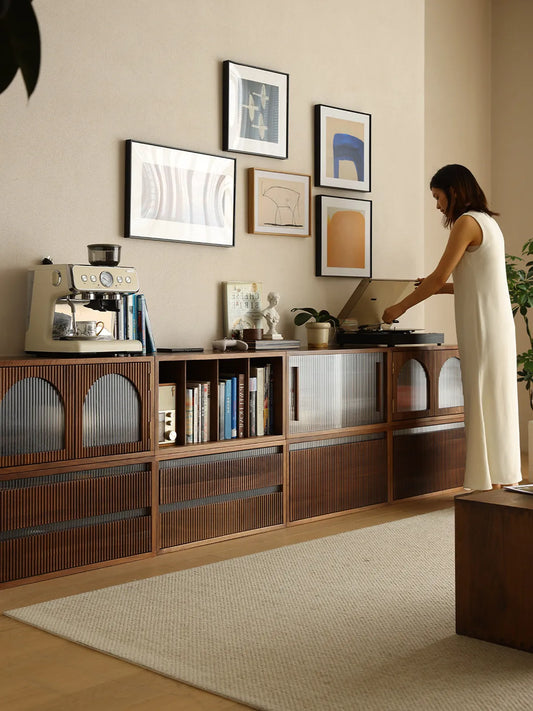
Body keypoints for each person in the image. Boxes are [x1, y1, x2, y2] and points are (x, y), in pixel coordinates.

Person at [382, 164, 521, 491]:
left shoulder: (465, 222)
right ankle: (497, 478)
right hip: (495, 321)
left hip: (482, 324)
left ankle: (484, 480)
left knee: (479, 395)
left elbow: (440, 276)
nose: (437, 205)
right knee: (493, 398)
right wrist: (433, 286)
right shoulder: (489, 223)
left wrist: (399, 306)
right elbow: (470, 283)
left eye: (438, 196)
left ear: (453, 191)